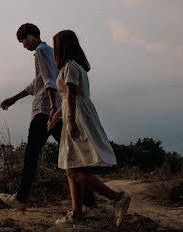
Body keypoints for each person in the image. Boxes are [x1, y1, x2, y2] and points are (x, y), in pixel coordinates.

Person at [0, 23, 95, 210]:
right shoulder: (51, 52)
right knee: (73, 154)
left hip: (45, 111)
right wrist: (14, 98)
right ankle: (89, 201)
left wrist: (51, 107)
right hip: (58, 110)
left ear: (30, 37)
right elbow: (38, 82)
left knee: (31, 155)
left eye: (23, 41)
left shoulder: (41, 52)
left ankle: (21, 198)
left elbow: (49, 81)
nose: (23, 46)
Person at [47, 29, 131, 228]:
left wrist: (71, 120)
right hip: (75, 115)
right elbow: (68, 99)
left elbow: (72, 95)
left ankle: (117, 198)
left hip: (78, 118)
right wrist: (56, 117)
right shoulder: (76, 67)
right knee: (72, 167)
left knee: (74, 170)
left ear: (62, 47)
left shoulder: (70, 67)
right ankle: (76, 213)